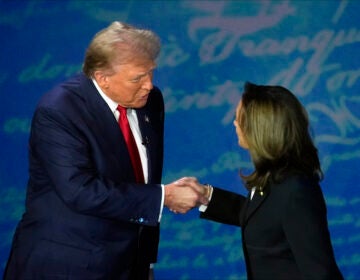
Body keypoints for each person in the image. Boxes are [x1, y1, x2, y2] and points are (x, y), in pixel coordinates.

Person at [3, 21, 207, 280]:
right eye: (137, 78)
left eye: (151, 72)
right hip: (69, 266)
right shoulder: (59, 111)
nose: (149, 85)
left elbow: (140, 177)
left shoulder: (150, 101)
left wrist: (146, 263)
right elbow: (80, 190)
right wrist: (163, 197)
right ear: (102, 78)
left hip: (129, 264)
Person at [183, 82, 343, 279]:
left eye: (239, 118)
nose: (234, 123)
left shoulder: (295, 191)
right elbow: (263, 218)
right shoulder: (275, 176)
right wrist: (206, 196)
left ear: (260, 128)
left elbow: (320, 273)